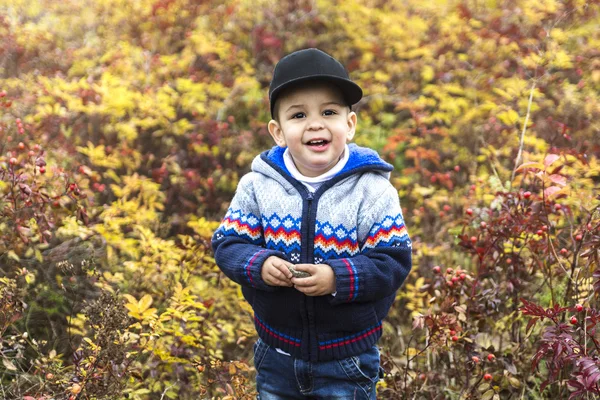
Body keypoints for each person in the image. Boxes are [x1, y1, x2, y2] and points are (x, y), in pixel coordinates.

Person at [212, 48, 412, 399]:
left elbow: (392, 261)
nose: (316, 123)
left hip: (348, 356)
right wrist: (259, 265)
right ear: (278, 131)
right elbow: (228, 244)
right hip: (277, 352)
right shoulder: (258, 186)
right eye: (299, 114)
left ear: (349, 125)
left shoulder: (372, 190)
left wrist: (338, 277)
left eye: (329, 112)